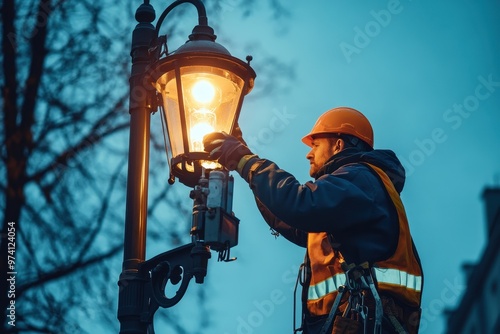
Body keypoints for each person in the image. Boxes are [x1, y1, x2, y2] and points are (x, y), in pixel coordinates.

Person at [203, 107, 423, 333]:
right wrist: (245, 161)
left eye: (315, 145)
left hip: (364, 321)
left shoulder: (360, 177)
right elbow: (290, 218)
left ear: (338, 145)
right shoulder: (348, 195)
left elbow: (299, 204)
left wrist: (245, 160)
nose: (309, 154)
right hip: (349, 322)